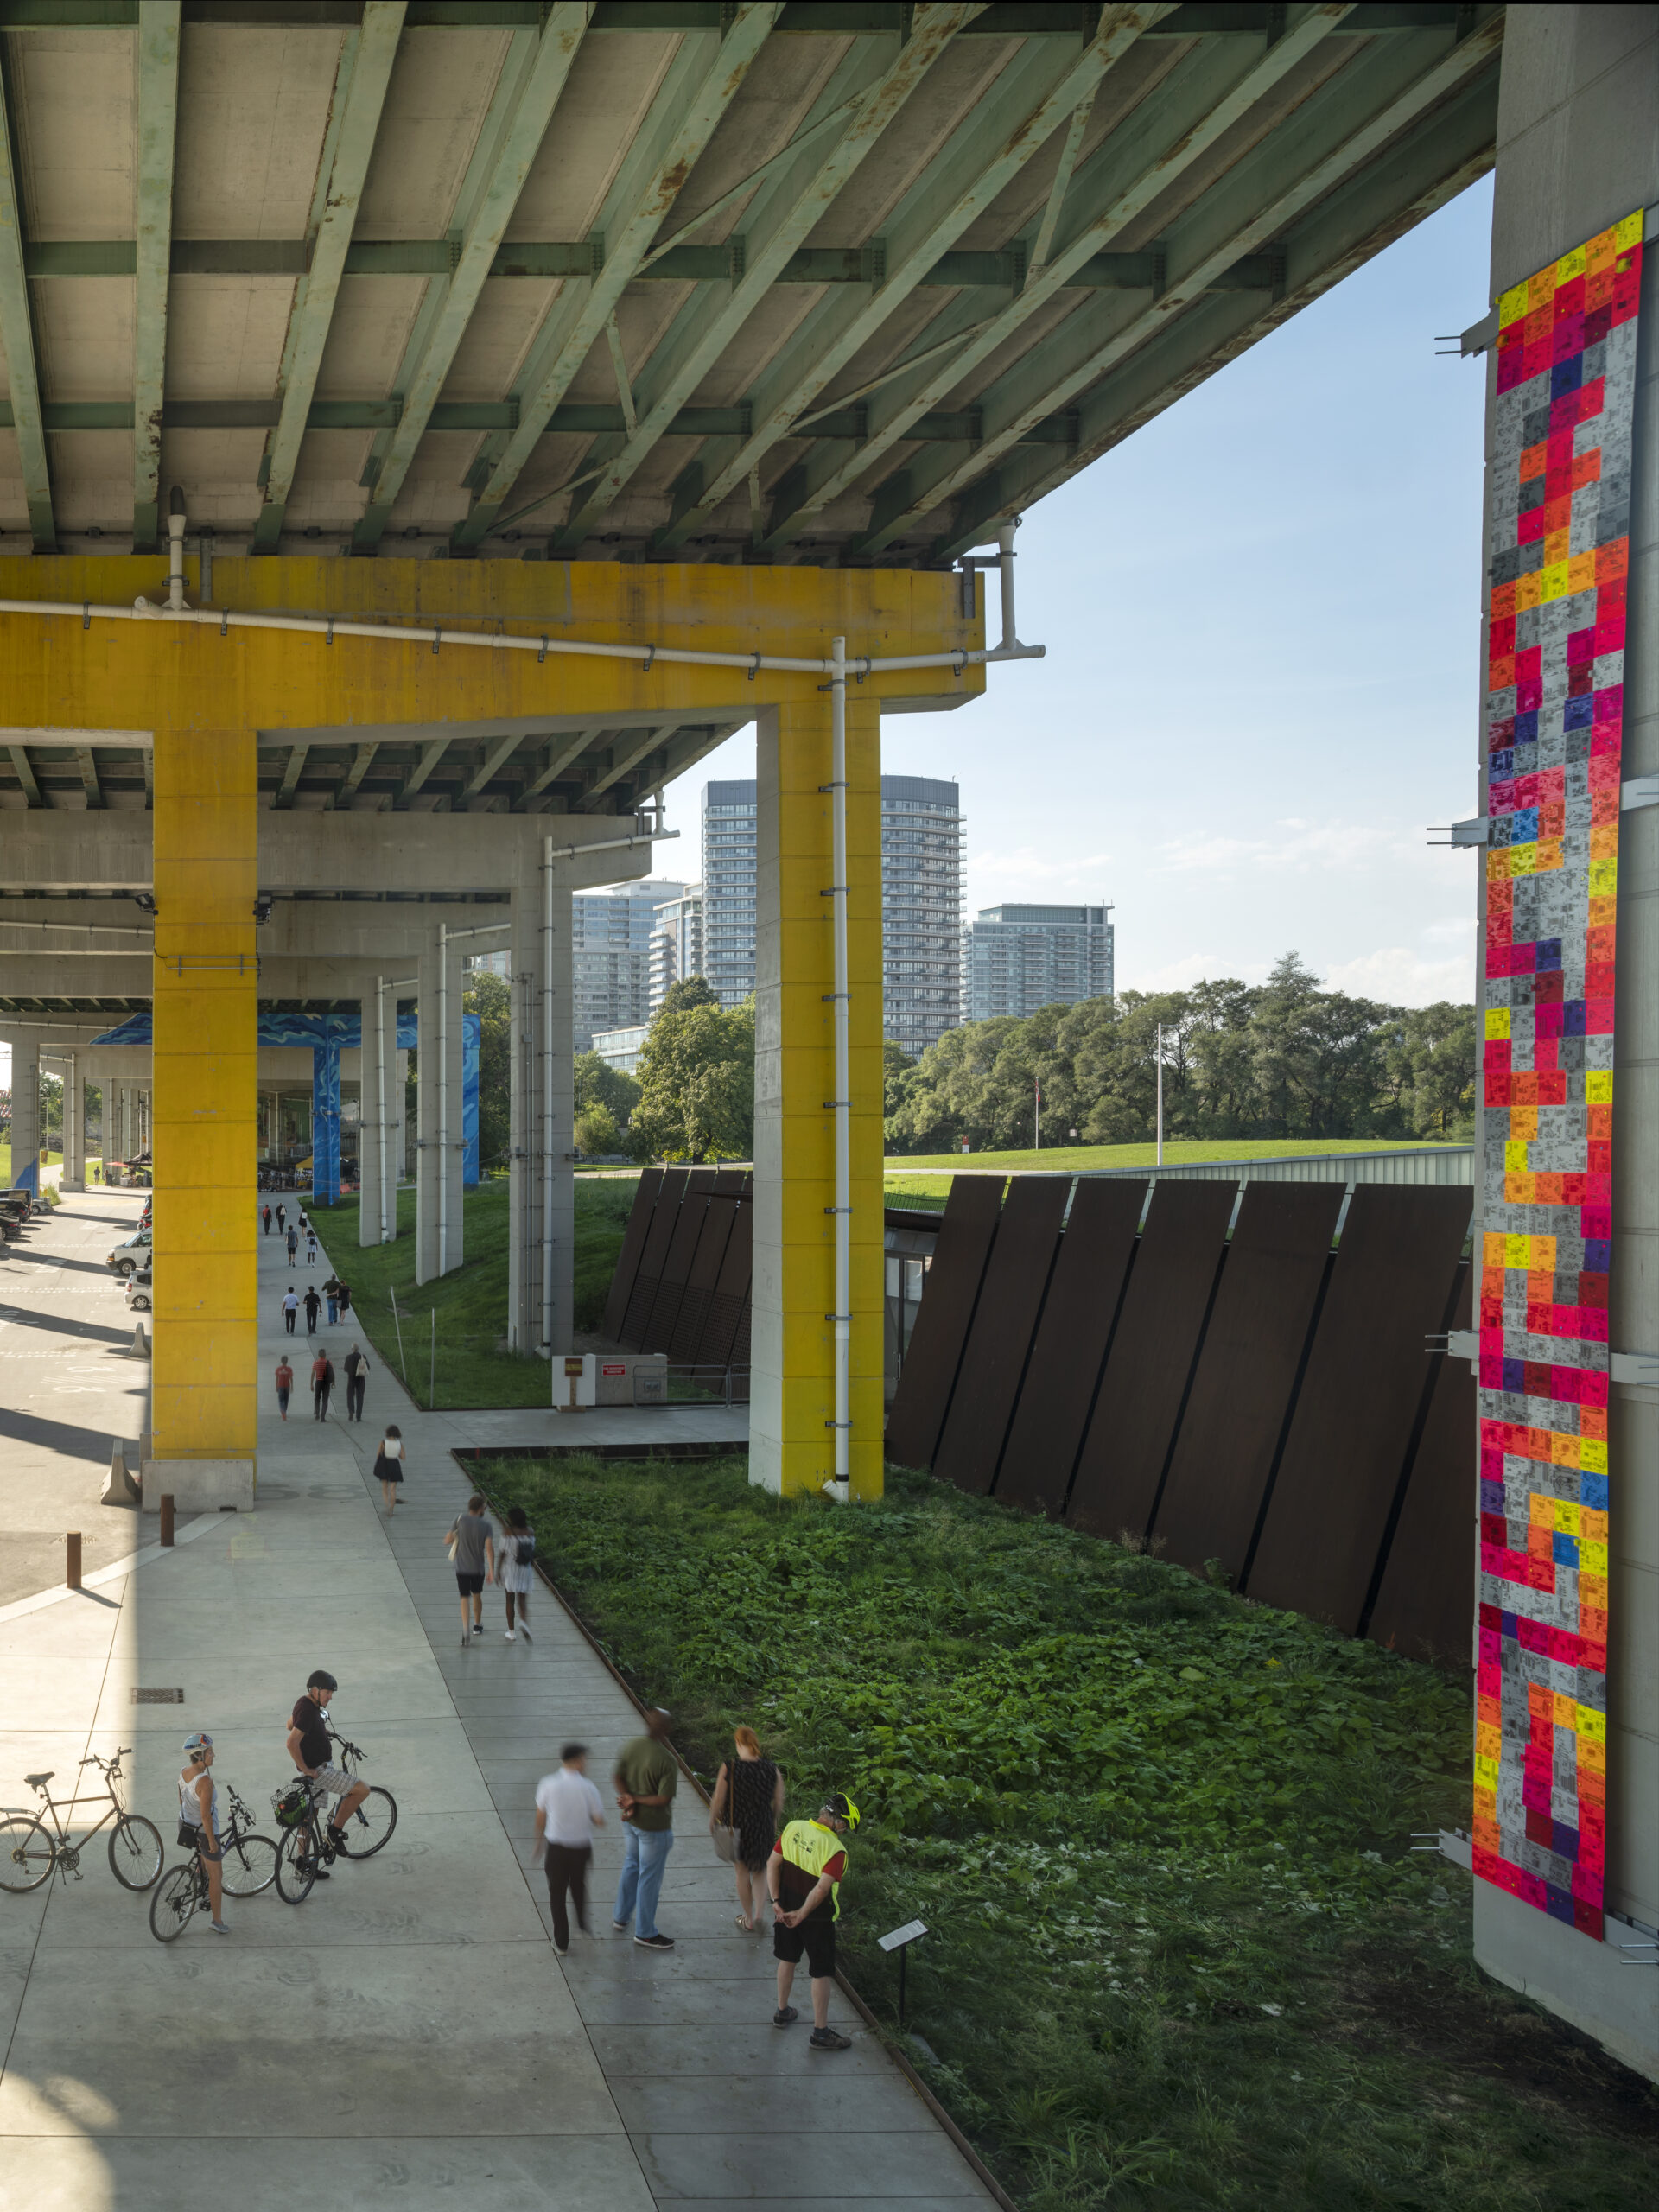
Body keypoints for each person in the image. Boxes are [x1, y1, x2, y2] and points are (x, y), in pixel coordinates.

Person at [769, 1794, 858, 2050]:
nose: (844, 1831)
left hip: (784, 1907)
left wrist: (775, 1900)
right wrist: (803, 1914)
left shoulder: (793, 1827)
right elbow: (821, 1890)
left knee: (787, 1959)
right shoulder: (835, 1849)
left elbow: (772, 1864)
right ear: (837, 1822)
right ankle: (820, 2033)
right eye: (845, 1826)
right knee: (821, 1971)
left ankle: (782, 2011)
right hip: (816, 1916)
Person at [285, 1669, 370, 1877]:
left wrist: (320, 1731)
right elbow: (291, 1742)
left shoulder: (304, 1704)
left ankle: (302, 1866)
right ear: (315, 1690)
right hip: (319, 1772)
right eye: (328, 1693)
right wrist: (307, 1770)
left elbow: (290, 1725)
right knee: (361, 1790)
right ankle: (334, 1832)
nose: (330, 1697)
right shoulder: (307, 1710)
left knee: (309, 1818)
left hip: (316, 1770)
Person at [612, 1707, 677, 1949]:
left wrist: (627, 1798)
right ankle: (645, 1932)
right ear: (667, 1730)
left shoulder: (632, 1745)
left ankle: (620, 1917)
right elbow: (664, 1799)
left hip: (631, 1823)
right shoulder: (667, 1760)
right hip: (654, 1827)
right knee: (649, 1878)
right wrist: (636, 1800)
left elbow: (617, 1775)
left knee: (631, 1865)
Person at [709, 1725, 784, 1933]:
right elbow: (778, 1801)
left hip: (737, 1826)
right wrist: (774, 1821)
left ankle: (748, 1918)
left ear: (738, 1743)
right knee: (760, 1871)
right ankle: (760, 1913)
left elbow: (718, 1799)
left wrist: (712, 1820)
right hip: (762, 1826)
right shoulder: (772, 1768)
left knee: (741, 1871)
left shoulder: (730, 1768)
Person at [533, 1743, 604, 1955]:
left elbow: (541, 1815)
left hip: (556, 1848)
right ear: (579, 1759)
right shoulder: (589, 1787)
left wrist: (539, 1842)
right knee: (578, 1885)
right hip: (581, 1847)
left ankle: (561, 1942)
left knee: (557, 1894)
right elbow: (599, 1820)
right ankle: (582, 1923)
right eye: (585, 1759)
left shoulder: (548, 1783)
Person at [177, 1731, 231, 1935]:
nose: (213, 1755)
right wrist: (212, 1842)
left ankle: (200, 1870)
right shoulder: (205, 1783)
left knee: (204, 1856)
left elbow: (181, 1800)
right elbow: (207, 1818)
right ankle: (217, 1921)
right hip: (203, 1830)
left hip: (185, 1825)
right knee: (217, 1874)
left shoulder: (183, 1772)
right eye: (210, 1752)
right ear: (199, 1756)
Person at [445, 1495, 496, 1646]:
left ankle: (466, 1630)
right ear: (480, 1508)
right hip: (477, 1568)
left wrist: (457, 1537)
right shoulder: (486, 1526)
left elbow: (447, 1540)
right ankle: (477, 1624)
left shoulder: (459, 1519)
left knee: (464, 1597)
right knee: (477, 1595)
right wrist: (492, 1570)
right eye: (485, 1507)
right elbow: (489, 1549)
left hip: (461, 1567)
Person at [499, 1505, 536, 1642]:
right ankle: (524, 1623)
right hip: (525, 1569)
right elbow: (532, 1551)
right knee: (522, 1600)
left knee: (510, 1600)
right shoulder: (530, 1532)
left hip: (511, 1569)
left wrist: (497, 1571)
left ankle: (511, 1632)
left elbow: (502, 1553)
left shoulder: (508, 1532)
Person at [373, 1423, 404, 1515]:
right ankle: (391, 1509)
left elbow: (378, 1455)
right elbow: (403, 1457)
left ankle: (387, 1506)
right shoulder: (400, 1444)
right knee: (392, 1489)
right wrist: (396, 1453)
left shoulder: (383, 1442)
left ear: (388, 1433)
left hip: (385, 1465)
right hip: (395, 1464)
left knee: (384, 1488)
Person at [343, 1341, 370, 1422]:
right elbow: (368, 1367)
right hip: (361, 1379)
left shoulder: (348, 1357)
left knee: (350, 1396)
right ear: (358, 1349)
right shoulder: (363, 1356)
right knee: (360, 1397)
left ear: (352, 1349)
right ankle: (358, 1416)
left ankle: (351, 1412)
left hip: (351, 1379)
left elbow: (345, 1369)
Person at [311, 1346, 334, 1421]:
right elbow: (332, 1373)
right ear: (325, 1355)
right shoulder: (329, 1362)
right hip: (326, 1383)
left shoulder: (316, 1362)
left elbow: (313, 1373)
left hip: (318, 1382)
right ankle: (323, 1417)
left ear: (318, 1355)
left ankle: (317, 1414)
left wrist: (311, 1384)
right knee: (325, 1399)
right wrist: (333, 1382)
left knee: (317, 1398)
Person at [274, 1354, 294, 1421]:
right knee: (286, 1400)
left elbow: (276, 1379)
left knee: (280, 1400)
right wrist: (292, 1387)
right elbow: (291, 1379)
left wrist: (276, 1387)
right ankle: (284, 1412)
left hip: (280, 1386)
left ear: (281, 1361)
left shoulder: (278, 1369)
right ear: (287, 1361)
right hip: (287, 1386)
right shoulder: (289, 1369)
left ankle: (283, 1412)